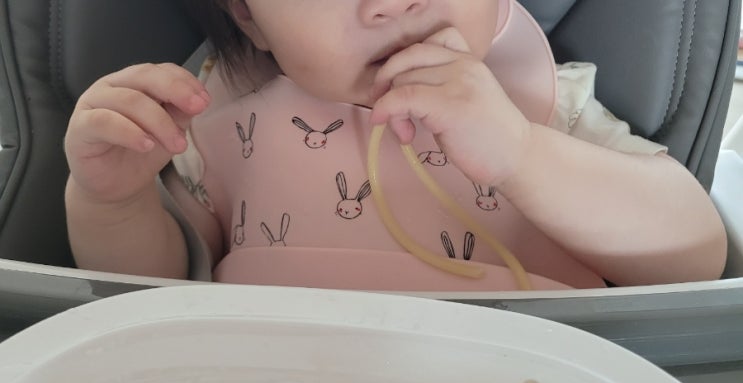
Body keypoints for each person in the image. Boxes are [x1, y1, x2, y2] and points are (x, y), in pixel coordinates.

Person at [63, 0, 728, 291]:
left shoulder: (545, 104)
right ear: (248, 17)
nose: (390, 3)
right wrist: (114, 203)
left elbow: (693, 256)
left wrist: (523, 154)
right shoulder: (220, 115)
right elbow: (156, 290)